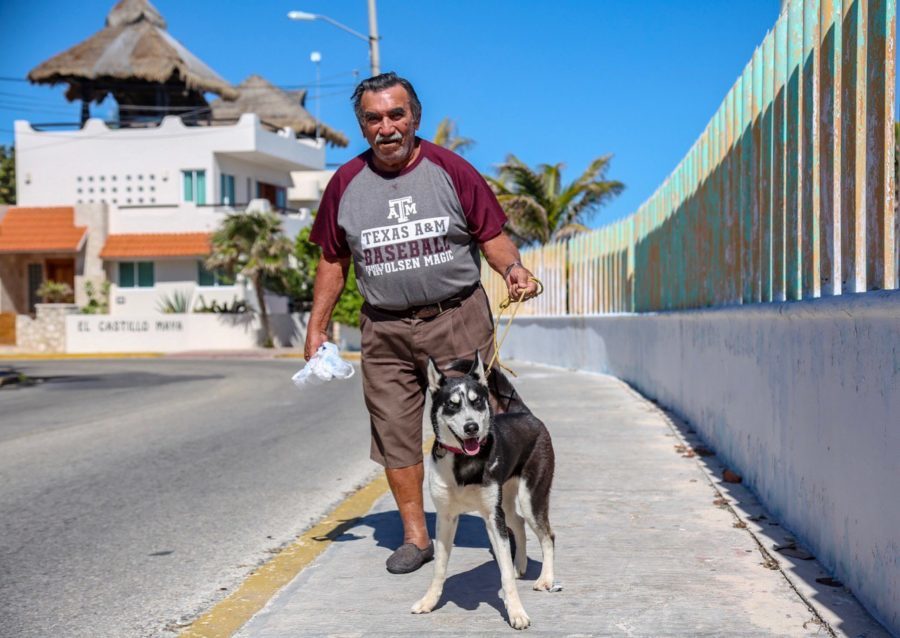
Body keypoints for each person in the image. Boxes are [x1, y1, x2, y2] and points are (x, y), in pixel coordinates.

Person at [305, 72, 538, 574]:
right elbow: (332, 259)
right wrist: (317, 327)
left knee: (480, 420)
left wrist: (513, 269)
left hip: (455, 317)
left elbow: (491, 235)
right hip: (384, 328)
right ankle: (417, 536)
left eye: (396, 115)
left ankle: (499, 516)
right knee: (393, 429)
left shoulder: (451, 170)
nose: (386, 127)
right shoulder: (345, 184)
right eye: (374, 118)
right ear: (362, 126)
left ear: (414, 117)